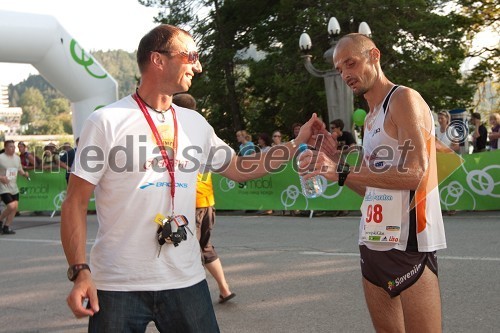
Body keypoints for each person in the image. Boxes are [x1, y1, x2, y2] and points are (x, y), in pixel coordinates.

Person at [60, 24, 319, 332]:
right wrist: (80, 272)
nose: (198, 65)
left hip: (186, 280)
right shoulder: (106, 121)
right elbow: (75, 202)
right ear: (158, 60)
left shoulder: (195, 122)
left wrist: (295, 143)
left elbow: (240, 168)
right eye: (191, 56)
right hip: (118, 284)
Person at [300, 33, 447, 332]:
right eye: (340, 69)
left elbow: (415, 173)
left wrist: (340, 172)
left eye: (351, 63)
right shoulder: (369, 118)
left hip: (410, 244)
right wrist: (336, 166)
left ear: (374, 56)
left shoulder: (403, 99)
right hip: (373, 240)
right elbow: (369, 187)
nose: (346, 74)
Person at [172, 92, 235, 304]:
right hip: (207, 200)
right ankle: (224, 289)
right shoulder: (204, 132)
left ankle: (191, 298)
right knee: (206, 247)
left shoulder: (182, 134)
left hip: (192, 202)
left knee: (185, 249)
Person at [0, 140, 29, 234]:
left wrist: (25, 174)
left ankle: (6, 227)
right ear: (5, 148)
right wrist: (1, 177)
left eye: (14, 147)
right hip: (3, 186)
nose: (13, 148)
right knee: (11, 206)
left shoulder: (17, 158)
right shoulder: (1, 157)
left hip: (14, 186)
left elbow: (19, 169)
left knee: (14, 207)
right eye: (10, 147)